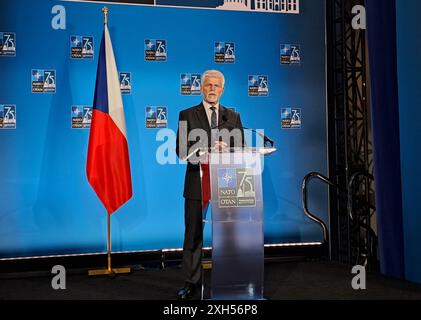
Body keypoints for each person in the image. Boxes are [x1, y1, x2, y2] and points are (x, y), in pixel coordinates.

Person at [175, 70, 245, 299]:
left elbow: (242, 150)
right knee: (193, 234)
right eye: (208, 85)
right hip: (198, 183)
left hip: (225, 183)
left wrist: (229, 149)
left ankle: (229, 278)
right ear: (201, 88)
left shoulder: (232, 117)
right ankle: (191, 282)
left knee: (228, 235)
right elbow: (180, 151)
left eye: (216, 85)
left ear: (222, 90)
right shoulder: (187, 115)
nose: (212, 89)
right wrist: (204, 149)